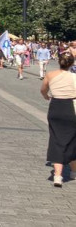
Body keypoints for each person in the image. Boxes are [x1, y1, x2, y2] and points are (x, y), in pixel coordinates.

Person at [40, 52, 76, 187]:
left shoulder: (50, 75)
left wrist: (47, 96)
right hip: (72, 107)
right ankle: (73, 172)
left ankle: (57, 176)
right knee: (73, 139)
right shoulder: (74, 77)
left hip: (56, 107)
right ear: (72, 63)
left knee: (56, 139)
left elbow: (43, 90)